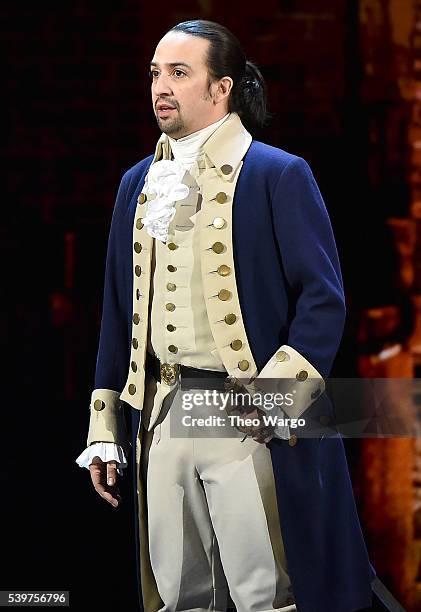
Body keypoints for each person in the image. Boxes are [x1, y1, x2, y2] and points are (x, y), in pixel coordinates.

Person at [76, 19, 376, 612]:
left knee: (264, 593)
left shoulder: (276, 173)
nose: (161, 86)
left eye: (179, 73)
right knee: (179, 593)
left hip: (242, 413)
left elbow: (322, 299)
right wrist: (105, 426)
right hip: (161, 415)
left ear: (222, 88)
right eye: (156, 73)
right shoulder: (137, 183)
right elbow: (118, 309)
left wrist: (274, 400)